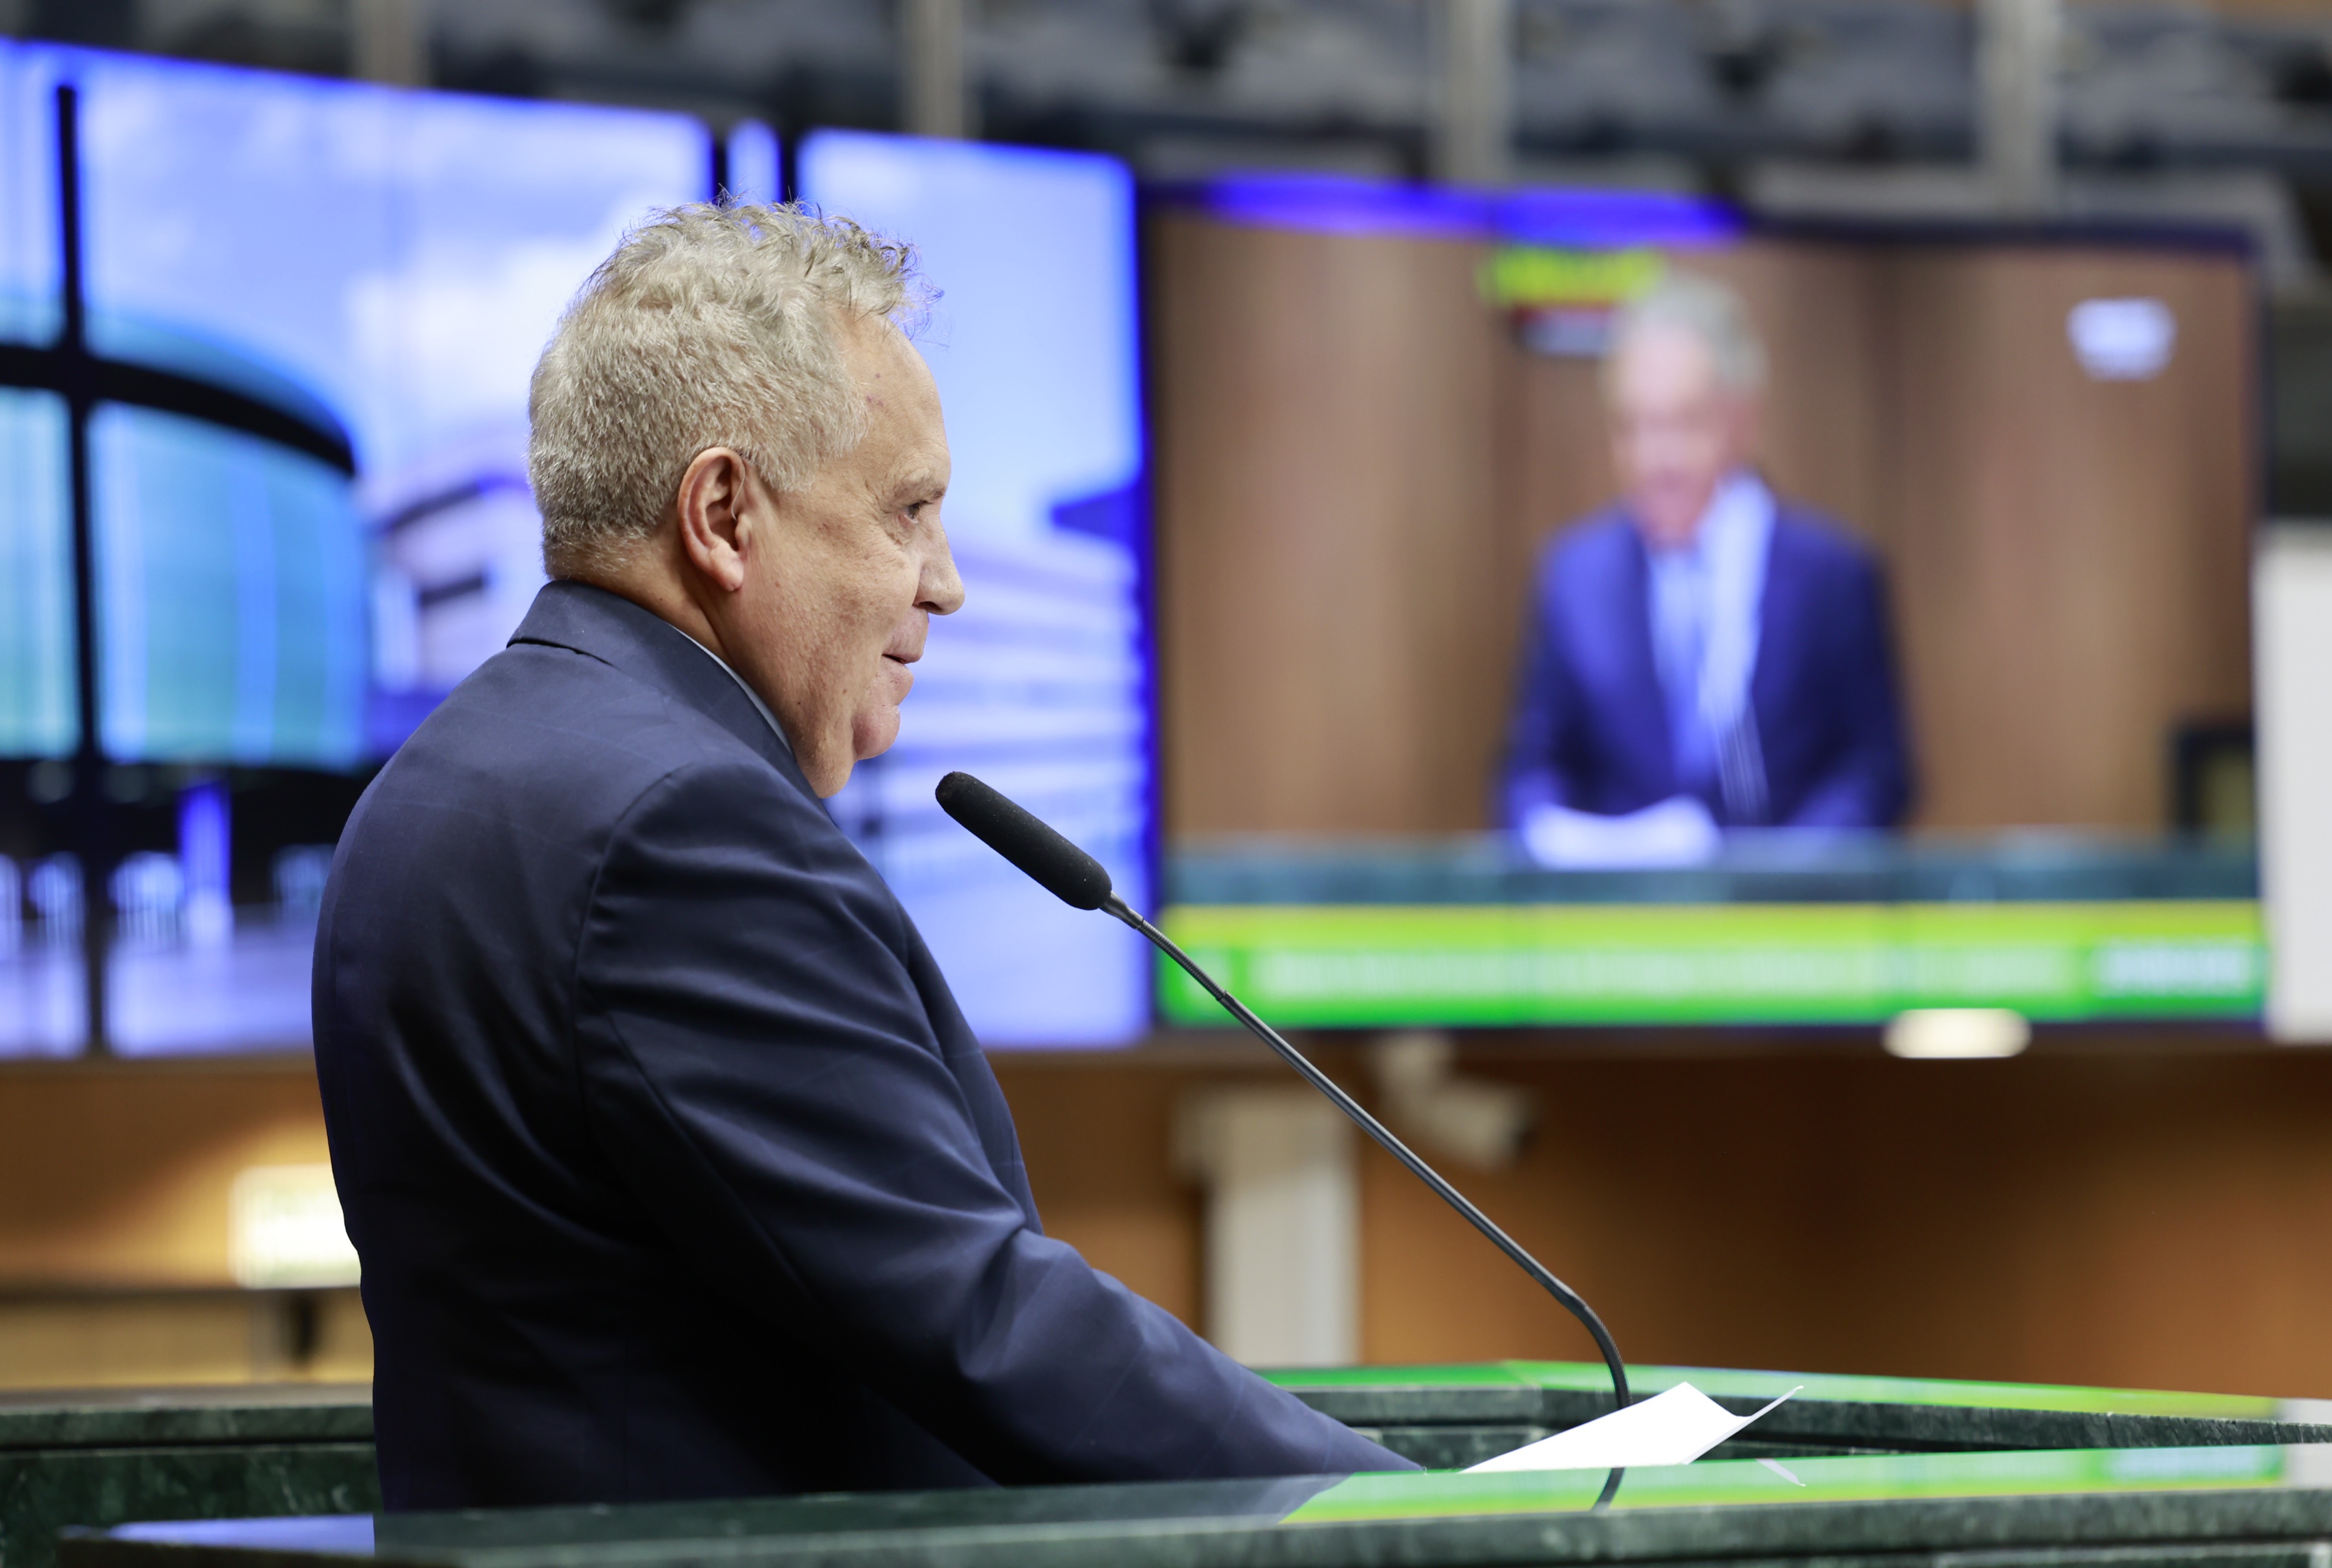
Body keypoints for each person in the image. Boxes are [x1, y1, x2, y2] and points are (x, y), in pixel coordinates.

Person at [313, 205, 1412, 1511]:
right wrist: (1429, 1516)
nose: (944, 583)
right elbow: (984, 1319)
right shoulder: (681, 828)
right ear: (724, 514)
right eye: (909, 511)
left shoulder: (433, 783)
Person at [1501, 271, 1912, 866]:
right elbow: (1531, 772)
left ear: (1742, 419)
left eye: (1681, 424)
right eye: (1632, 426)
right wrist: (1556, 839)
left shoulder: (1832, 577)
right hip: (1621, 914)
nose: (1654, 458)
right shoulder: (1575, 580)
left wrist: (1783, 875)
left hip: (1786, 914)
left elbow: (1875, 776)